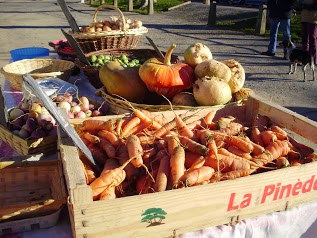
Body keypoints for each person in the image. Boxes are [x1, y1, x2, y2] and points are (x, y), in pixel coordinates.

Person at [300, 0, 317, 65]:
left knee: (312, 39)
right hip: (304, 18)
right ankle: (304, 58)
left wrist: (306, 6)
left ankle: (313, 59)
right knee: (304, 40)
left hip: (313, 18)